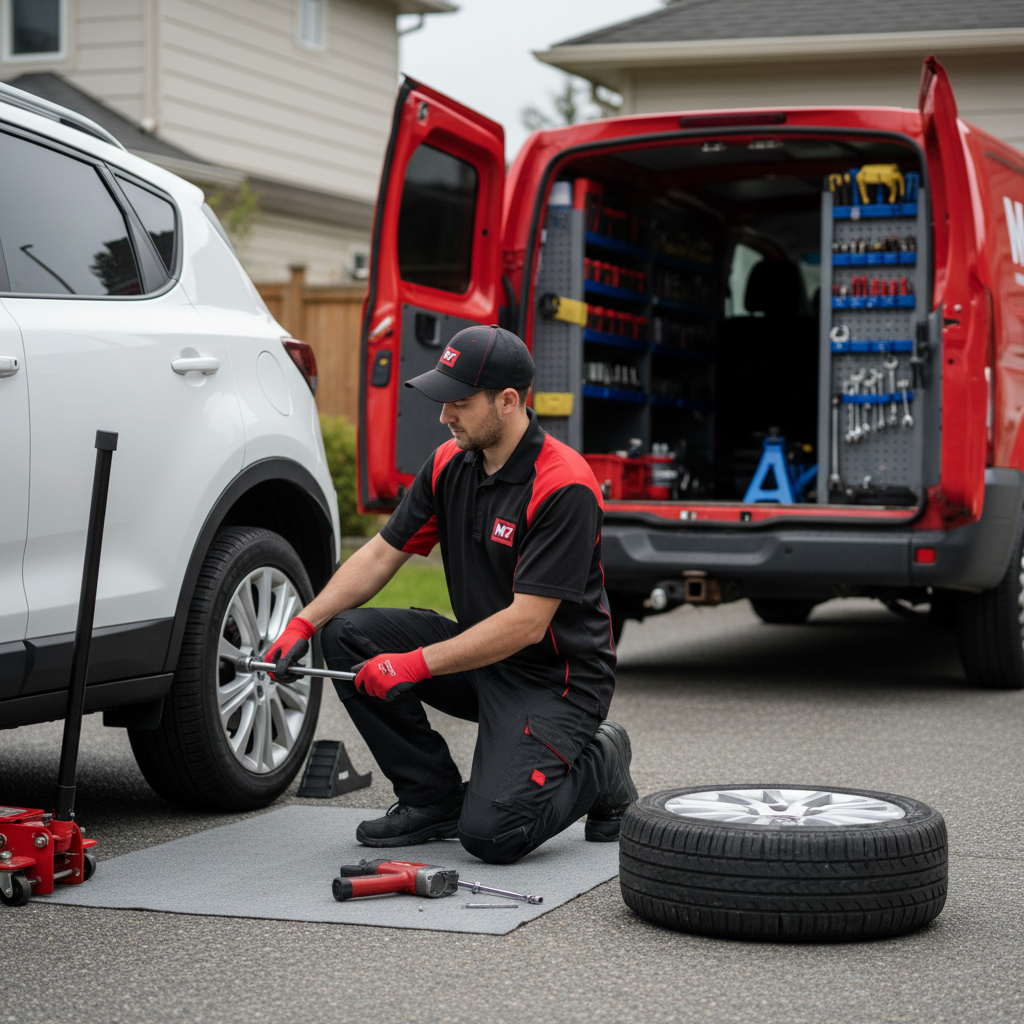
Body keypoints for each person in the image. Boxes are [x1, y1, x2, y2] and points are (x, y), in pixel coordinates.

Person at [265, 324, 636, 864]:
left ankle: (603, 757)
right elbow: (379, 555)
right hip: (483, 655)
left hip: (556, 682)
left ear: (507, 401)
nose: (444, 416)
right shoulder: (448, 464)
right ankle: (432, 798)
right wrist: (303, 624)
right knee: (345, 634)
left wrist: (414, 665)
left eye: (459, 402)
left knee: (492, 836)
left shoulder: (563, 485)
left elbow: (527, 623)